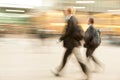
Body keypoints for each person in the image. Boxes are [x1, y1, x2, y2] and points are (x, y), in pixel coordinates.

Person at [52, 7, 90, 80]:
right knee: (65, 58)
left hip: (73, 44)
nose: (65, 12)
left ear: (68, 12)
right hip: (72, 44)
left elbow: (68, 32)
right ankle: (58, 71)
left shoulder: (71, 19)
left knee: (79, 60)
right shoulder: (72, 19)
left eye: (66, 11)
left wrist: (60, 39)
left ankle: (87, 74)